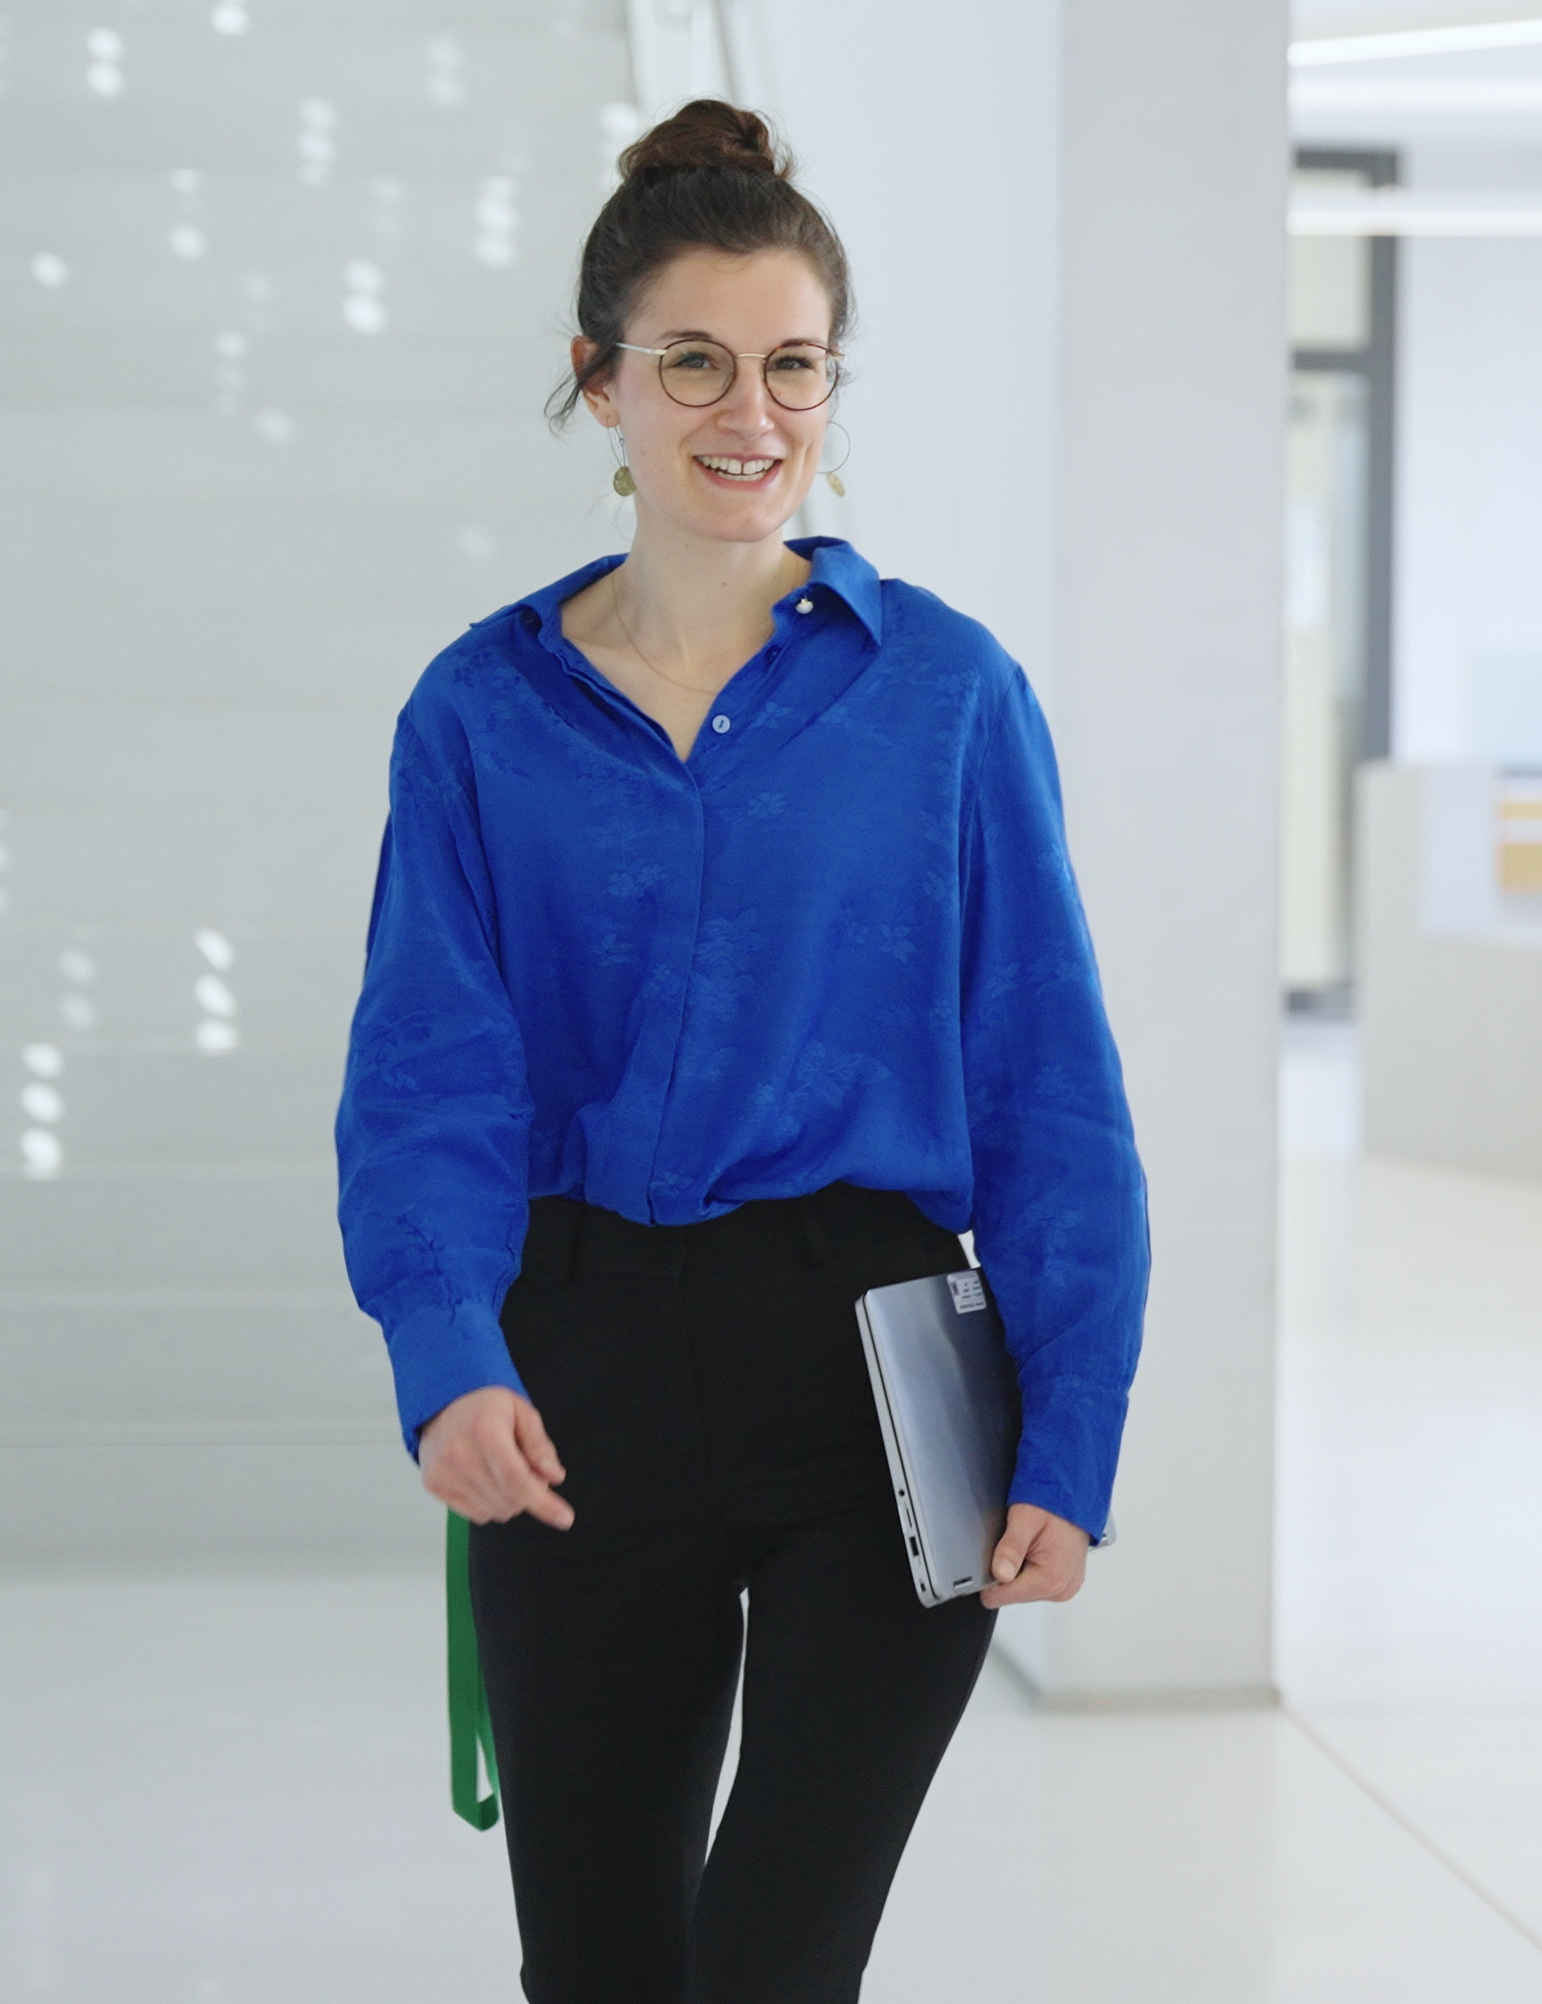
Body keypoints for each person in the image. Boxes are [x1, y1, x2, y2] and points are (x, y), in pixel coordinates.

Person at [333, 101, 1148, 2004]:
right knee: (598, 1970)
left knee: (776, 1967)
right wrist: (446, 1351)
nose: (750, 413)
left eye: (795, 365)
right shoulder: (479, 713)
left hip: (881, 1371)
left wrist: (1077, 1423)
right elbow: (428, 1071)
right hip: (581, 1373)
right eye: (692, 361)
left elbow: (1049, 1084)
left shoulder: (946, 693)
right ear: (599, 382)